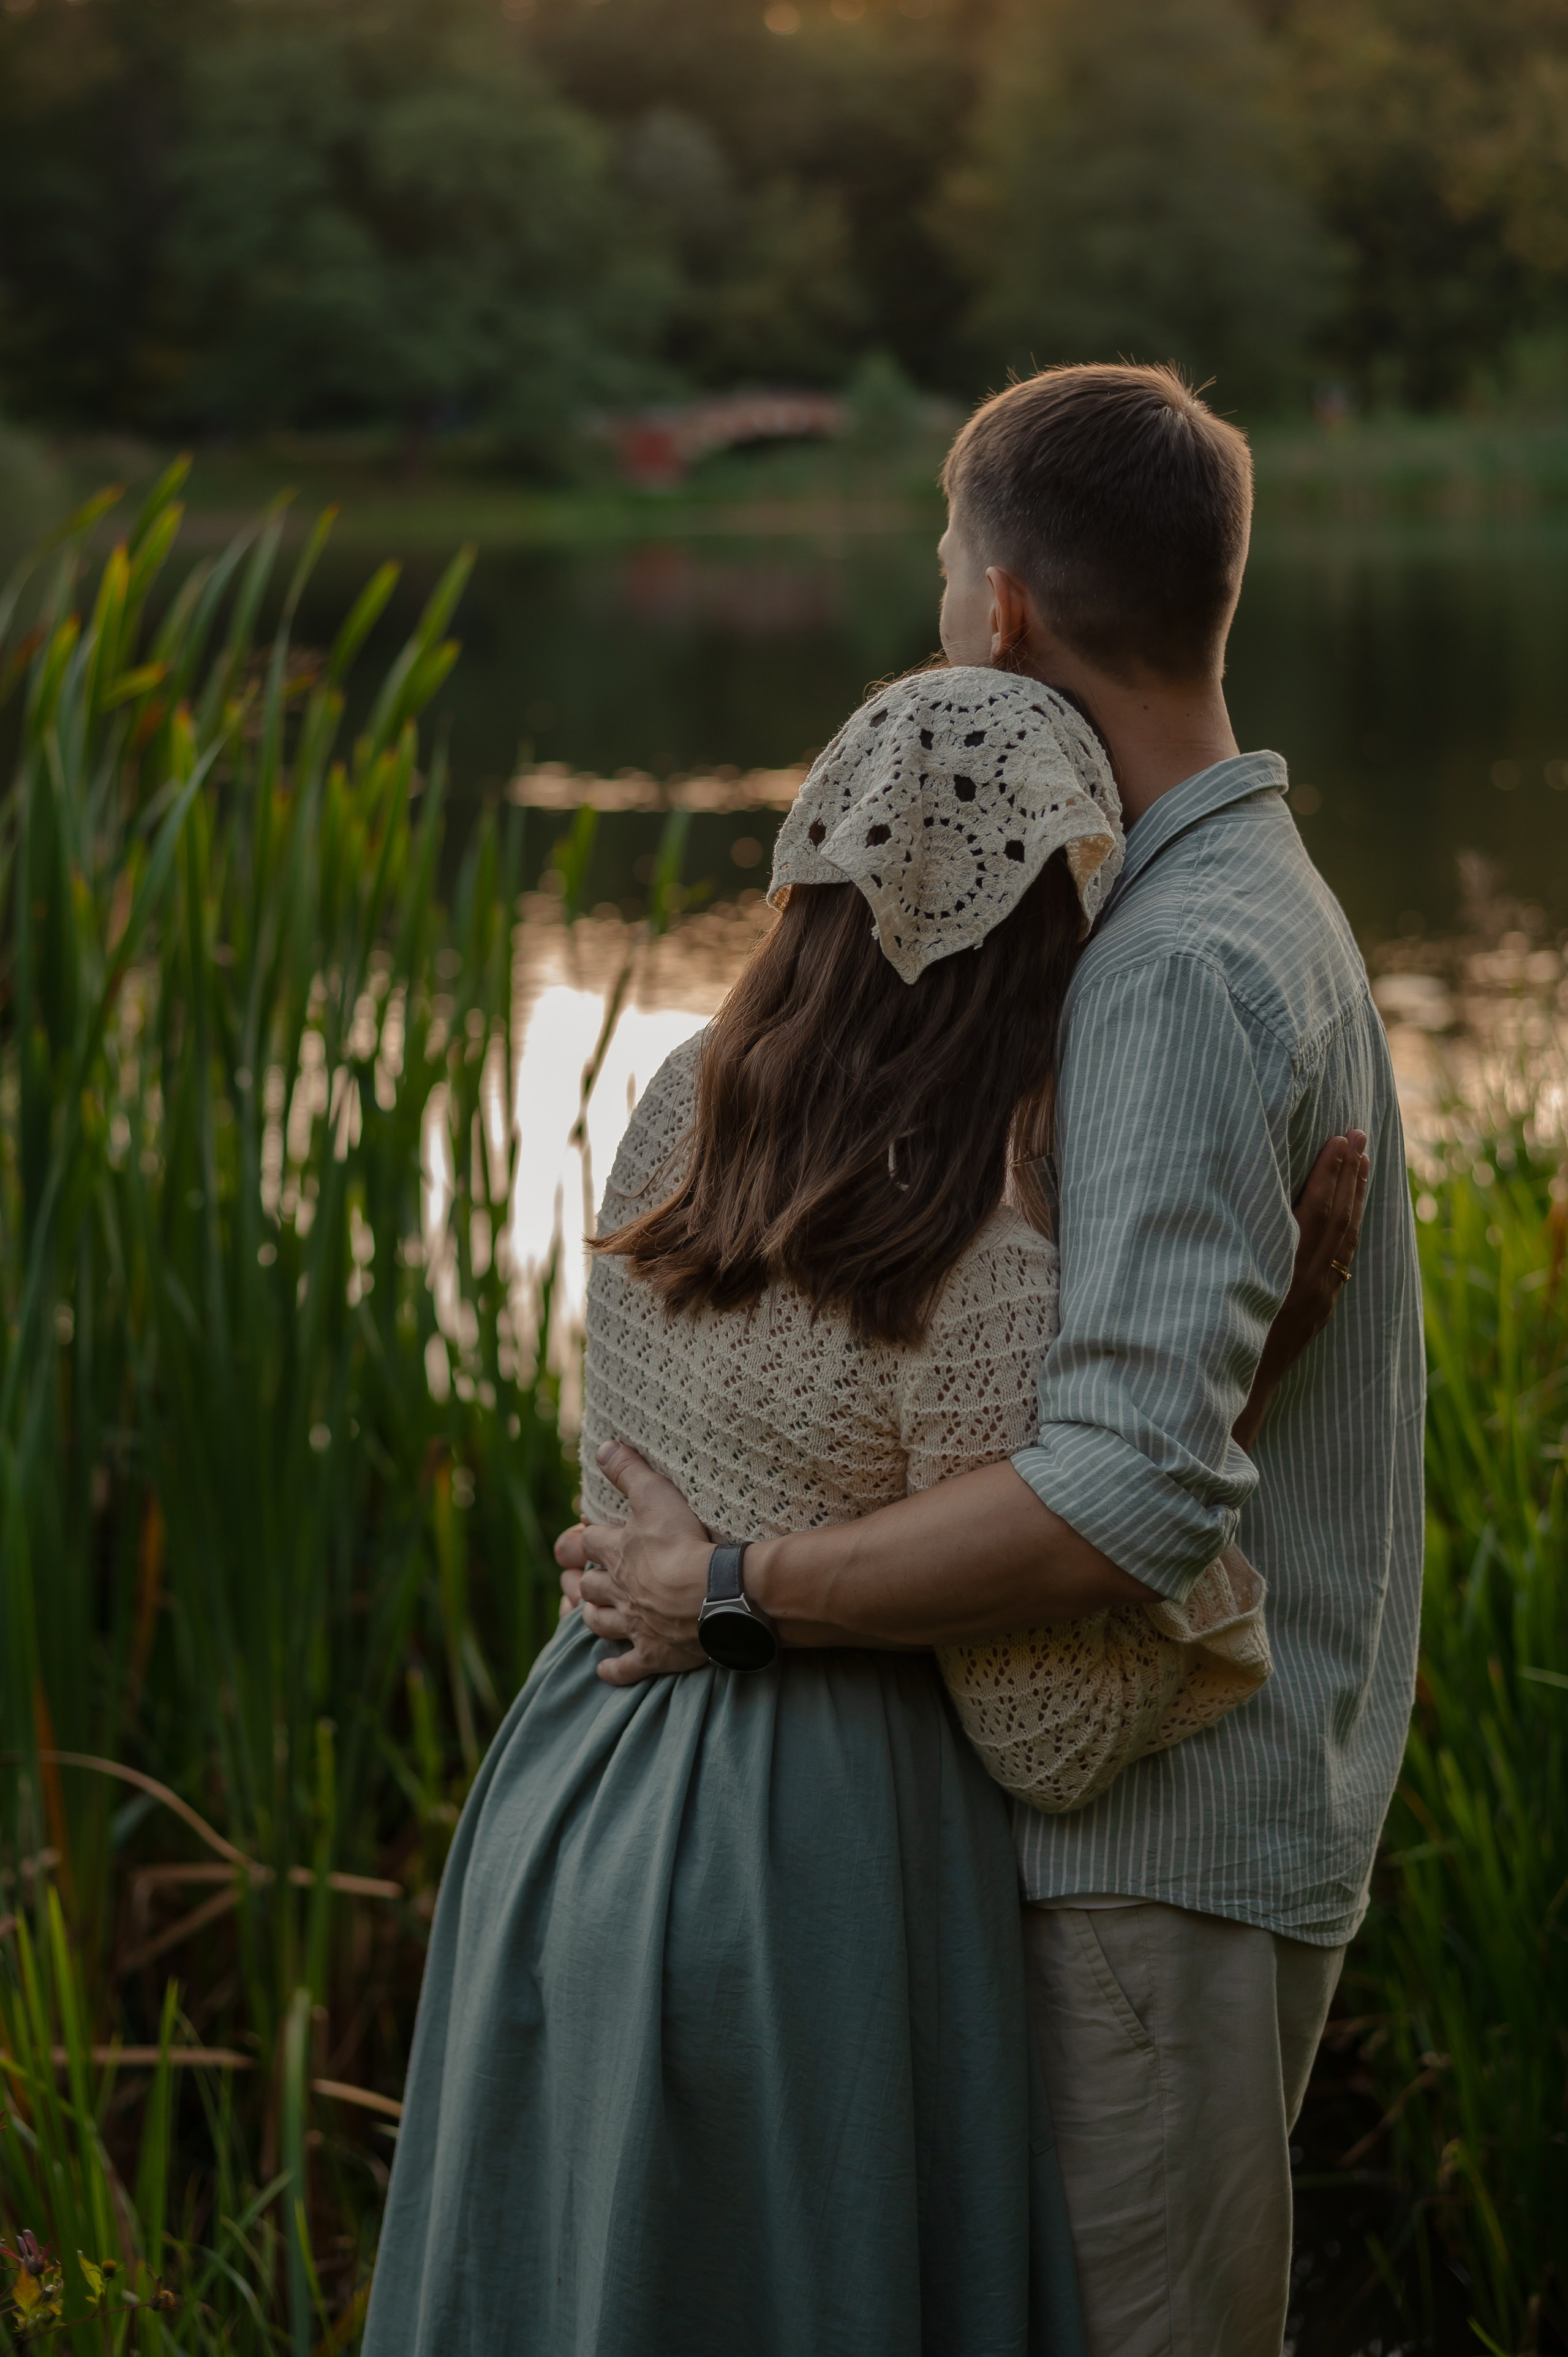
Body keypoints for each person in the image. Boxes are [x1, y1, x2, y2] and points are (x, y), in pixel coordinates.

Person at [557, 364, 1424, 2357]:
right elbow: (1149, 1425)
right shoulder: (1210, 908)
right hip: (1131, 1827)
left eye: (946, 557)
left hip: (1152, 1858)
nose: (940, 594)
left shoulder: (1175, 968)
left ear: (1005, 610)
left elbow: (1125, 1494)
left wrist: (729, 1590)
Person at [362, 658, 1364, 2357]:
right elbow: (1058, 1728)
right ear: (1061, 911)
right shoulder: (975, 1235)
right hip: (803, 1847)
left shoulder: (683, 1098)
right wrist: (1252, 1375)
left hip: (572, 1778)